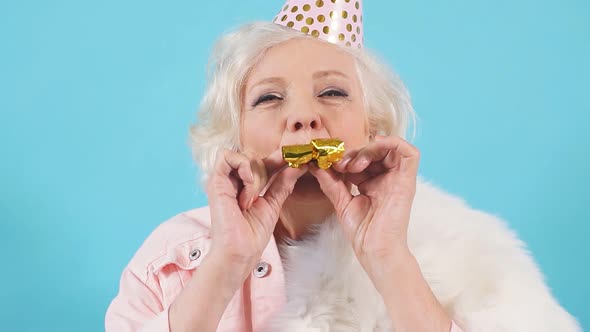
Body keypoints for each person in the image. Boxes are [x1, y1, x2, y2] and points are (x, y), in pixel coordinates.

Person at [105, 0, 582, 331]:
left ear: (373, 131)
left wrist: (389, 261)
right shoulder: (167, 262)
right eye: (269, 98)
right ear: (235, 139)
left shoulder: (470, 253)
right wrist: (227, 260)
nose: (302, 116)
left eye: (332, 92)